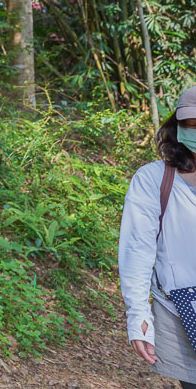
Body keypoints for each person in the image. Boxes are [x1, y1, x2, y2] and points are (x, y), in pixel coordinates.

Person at [120, 86, 196, 389]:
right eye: (191, 125)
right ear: (176, 127)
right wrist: (138, 317)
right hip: (179, 310)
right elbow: (137, 249)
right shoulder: (153, 179)